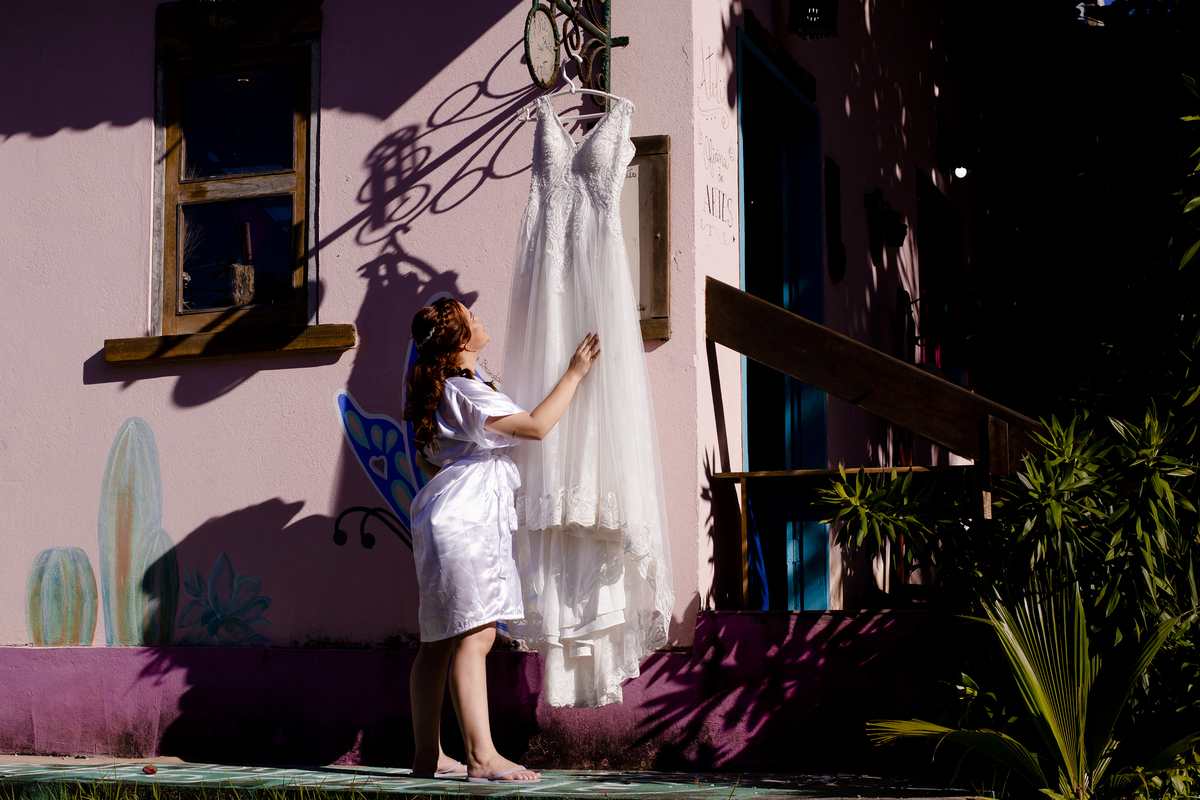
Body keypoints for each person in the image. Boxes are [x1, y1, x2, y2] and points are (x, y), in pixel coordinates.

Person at [402, 297, 600, 784]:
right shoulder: (466, 391)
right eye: (474, 320)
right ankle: (482, 756)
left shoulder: (442, 389)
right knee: (478, 633)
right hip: (466, 518)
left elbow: (429, 460)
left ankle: (429, 755)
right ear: (461, 340)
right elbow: (534, 426)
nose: (481, 320)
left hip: (440, 510)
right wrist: (574, 373)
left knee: (437, 642)